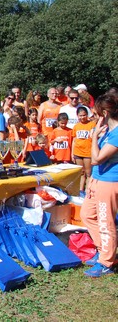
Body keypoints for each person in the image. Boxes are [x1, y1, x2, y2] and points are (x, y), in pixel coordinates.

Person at [81, 93, 118, 277]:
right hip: (98, 180)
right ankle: (103, 250)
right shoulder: (109, 131)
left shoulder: (117, 133)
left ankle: (107, 262)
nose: (93, 118)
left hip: (110, 182)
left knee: (105, 222)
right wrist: (90, 181)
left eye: (96, 114)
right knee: (87, 215)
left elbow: (96, 159)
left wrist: (94, 135)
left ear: (104, 113)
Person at [72, 106, 95, 196]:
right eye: (80, 115)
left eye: (84, 115)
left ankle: (87, 191)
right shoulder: (76, 126)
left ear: (87, 115)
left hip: (88, 152)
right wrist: (72, 153)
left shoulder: (92, 124)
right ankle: (80, 192)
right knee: (81, 173)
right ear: (77, 116)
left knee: (88, 173)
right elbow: (74, 140)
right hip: (78, 152)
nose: (82, 117)